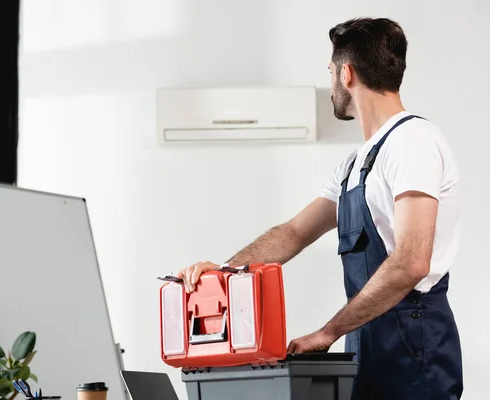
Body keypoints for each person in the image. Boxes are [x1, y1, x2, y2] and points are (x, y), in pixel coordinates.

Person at [177, 17, 463, 400]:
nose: (331, 85)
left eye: (330, 72)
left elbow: (411, 262)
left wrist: (328, 331)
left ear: (347, 74)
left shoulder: (413, 141)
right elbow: (294, 232)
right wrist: (225, 271)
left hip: (414, 344)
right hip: (365, 341)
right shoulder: (355, 165)